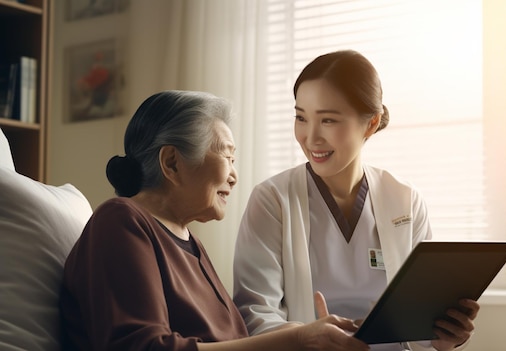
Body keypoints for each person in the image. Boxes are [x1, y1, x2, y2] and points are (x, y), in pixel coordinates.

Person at [59, 90, 370, 351]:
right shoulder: (121, 221)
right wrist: (298, 338)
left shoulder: (189, 242)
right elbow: (145, 347)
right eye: (227, 156)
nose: (234, 177)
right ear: (171, 162)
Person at [233, 50, 480, 351]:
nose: (310, 138)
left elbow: (421, 327)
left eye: (328, 120)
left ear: (371, 124)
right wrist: (308, 338)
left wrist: (446, 338)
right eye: (300, 118)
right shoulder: (272, 200)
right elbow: (254, 315)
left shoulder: (405, 199)